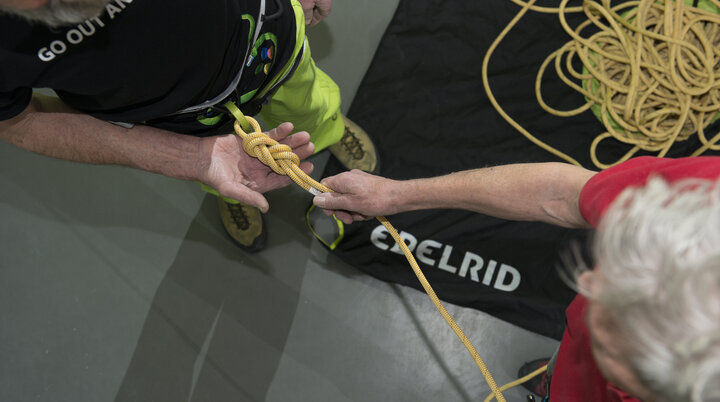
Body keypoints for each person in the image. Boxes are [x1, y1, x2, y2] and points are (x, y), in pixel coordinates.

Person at [312, 156, 720, 402]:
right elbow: (562, 195)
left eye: (616, 352)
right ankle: (554, 384)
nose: (590, 286)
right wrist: (398, 196)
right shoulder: (702, 193)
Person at [0, 0, 378, 252]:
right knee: (230, 168)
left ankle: (329, 129)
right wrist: (188, 158)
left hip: (268, 32)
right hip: (179, 119)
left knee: (312, 106)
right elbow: (19, 120)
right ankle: (232, 194)